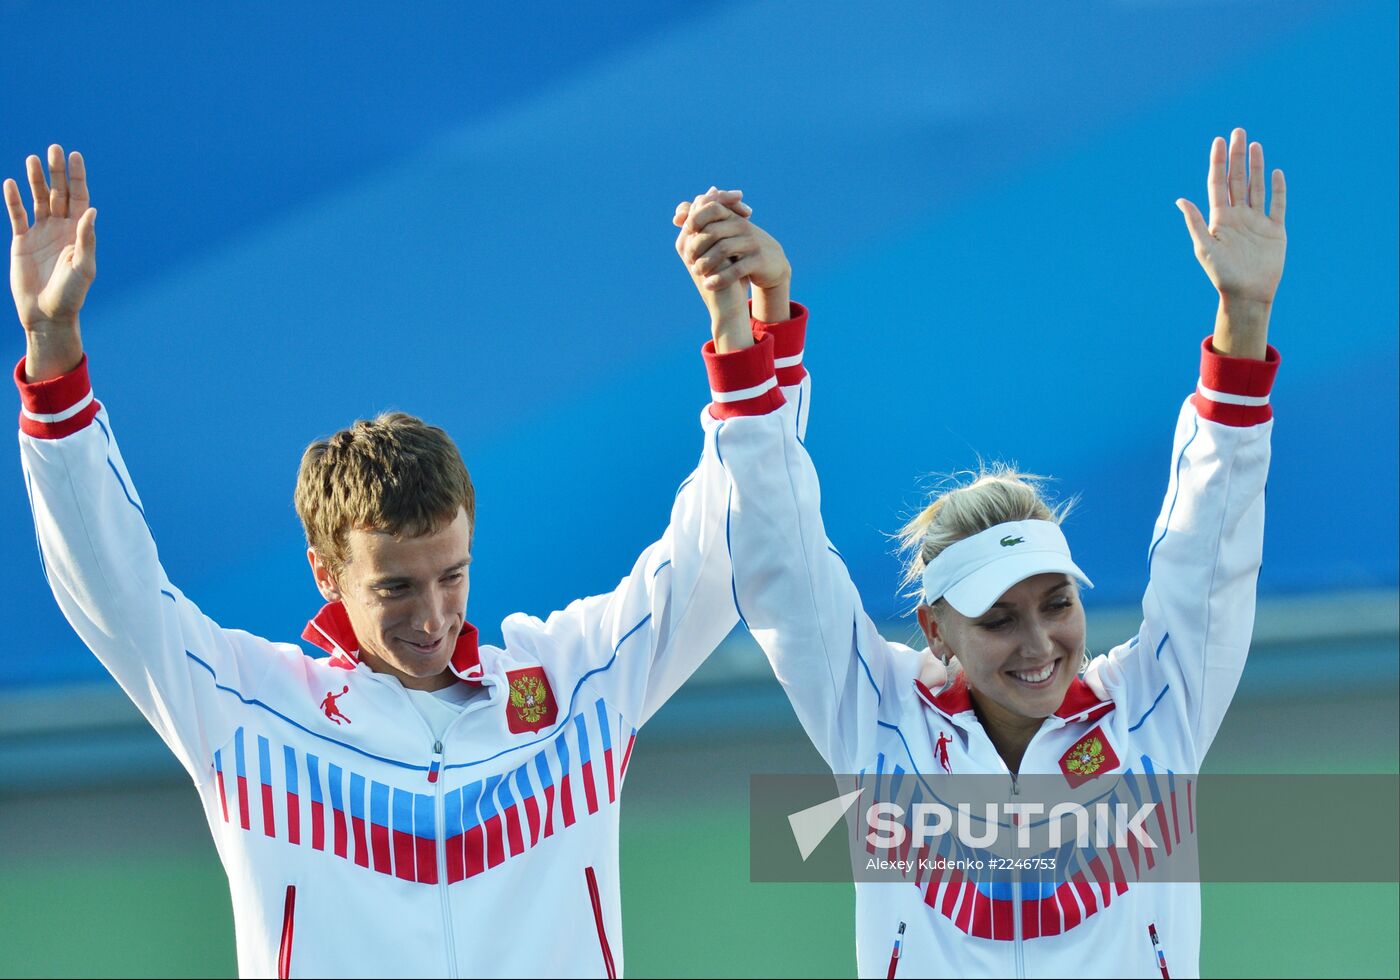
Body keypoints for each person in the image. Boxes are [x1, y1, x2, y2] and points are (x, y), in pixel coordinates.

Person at [7, 148, 800, 977]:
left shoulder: (569, 689)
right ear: (325, 573)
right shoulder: (251, 711)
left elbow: (720, 554)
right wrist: (53, 347)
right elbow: (112, 585)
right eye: (394, 586)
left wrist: (748, 327)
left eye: (452, 574)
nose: (432, 616)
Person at [675, 128, 1286, 977]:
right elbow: (778, 552)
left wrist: (1244, 316)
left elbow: (1210, 551)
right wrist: (748, 327)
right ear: (936, 630)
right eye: (998, 619)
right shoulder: (877, 718)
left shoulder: (1155, 711)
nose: (1040, 644)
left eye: (1055, 604)